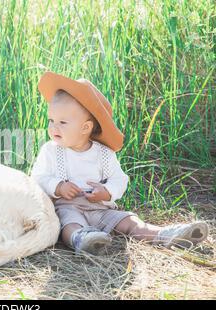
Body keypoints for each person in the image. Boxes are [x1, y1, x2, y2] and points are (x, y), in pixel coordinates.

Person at [31, 71, 209, 255]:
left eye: (62, 122)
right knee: (69, 223)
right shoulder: (51, 150)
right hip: (68, 206)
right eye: (51, 120)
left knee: (129, 221)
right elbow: (37, 177)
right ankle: (81, 238)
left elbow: (119, 179)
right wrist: (58, 186)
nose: (53, 127)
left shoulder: (104, 154)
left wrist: (106, 192)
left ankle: (165, 234)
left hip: (100, 209)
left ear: (85, 127)